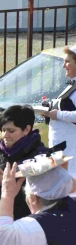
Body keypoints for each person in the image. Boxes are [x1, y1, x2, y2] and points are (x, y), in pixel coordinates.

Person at [0, 104, 50, 221]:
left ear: (26, 129)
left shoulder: (40, 158)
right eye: (3, 130)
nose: (5, 135)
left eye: (11, 131)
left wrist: (8, 185)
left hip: (28, 227)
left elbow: (44, 201)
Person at [46, 45, 76, 179]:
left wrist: (58, 114)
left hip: (72, 153)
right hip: (62, 149)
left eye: (67, 61)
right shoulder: (72, 84)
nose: (64, 66)